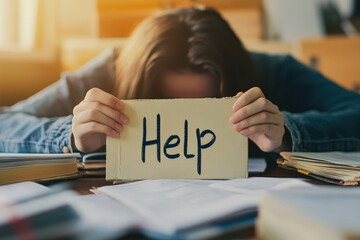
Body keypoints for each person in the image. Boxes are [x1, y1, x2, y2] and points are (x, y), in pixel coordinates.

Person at [0, 7, 359, 156]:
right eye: (166, 103)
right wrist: (71, 136)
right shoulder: (108, 72)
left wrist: (289, 132)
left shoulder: (272, 70)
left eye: (206, 104)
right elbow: (4, 122)